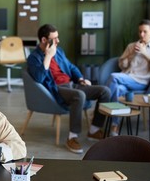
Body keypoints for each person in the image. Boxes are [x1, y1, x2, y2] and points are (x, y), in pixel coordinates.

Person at [27, 24, 111, 154]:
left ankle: (94, 130)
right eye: (54, 38)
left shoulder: (59, 51)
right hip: (56, 89)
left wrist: (80, 79)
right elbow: (38, 78)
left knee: (105, 91)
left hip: (72, 85)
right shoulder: (34, 57)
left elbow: (71, 67)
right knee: (80, 96)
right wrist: (48, 56)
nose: (58, 41)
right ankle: (72, 137)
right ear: (44, 40)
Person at [106, 19, 150, 135]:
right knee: (117, 89)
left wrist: (145, 53)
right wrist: (130, 55)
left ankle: (102, 108)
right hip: (126, 78)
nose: (142, 34)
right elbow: (121, 64)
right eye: (140, 32)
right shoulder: (131, 46)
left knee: (113, 76)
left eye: (145, 32)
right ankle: (115, 124)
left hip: (141, 81)